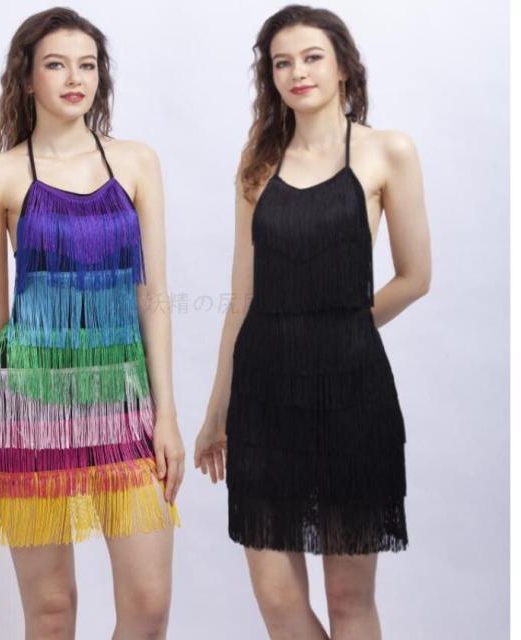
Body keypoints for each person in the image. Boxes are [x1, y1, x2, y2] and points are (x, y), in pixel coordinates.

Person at [194, 5, 431, 639]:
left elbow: (416, 277)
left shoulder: (388, 150)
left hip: (353, 394)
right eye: (282, 62)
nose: (297, 72)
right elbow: (241, 297)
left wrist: (341, 326)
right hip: (264, 396)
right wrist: (216, 411)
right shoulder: (257, 162)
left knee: (349, 600)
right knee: (277, 599)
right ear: (270, 77)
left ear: (343, 66)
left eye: (311, 57)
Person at [0, 8, 183, 639]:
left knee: (148, 604)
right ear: (27, 78)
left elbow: (153, 297)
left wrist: (165, 415)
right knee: (51, 612)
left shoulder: (136, 162)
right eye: (56, 64)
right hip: (30, 403)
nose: (75, 78)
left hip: (123, 401)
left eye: (88, 65)